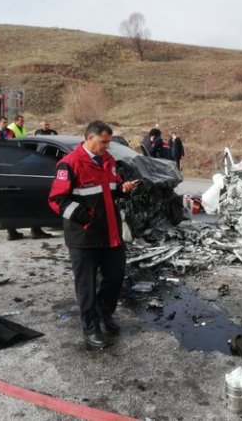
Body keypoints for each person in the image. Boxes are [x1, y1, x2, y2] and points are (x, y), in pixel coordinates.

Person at [48, 120, 139, 349]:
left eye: (108, 142)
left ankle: (104, 313)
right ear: (90, 138)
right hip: (84, 237)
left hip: (110, 234)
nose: (107, 146)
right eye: (103, 142)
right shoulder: (69, 164)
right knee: (86, 285)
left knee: (115, 278)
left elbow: (111, 188)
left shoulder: (108, 161)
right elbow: (56, 200)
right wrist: (83, 216)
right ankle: (90, 327)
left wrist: (123, 189)